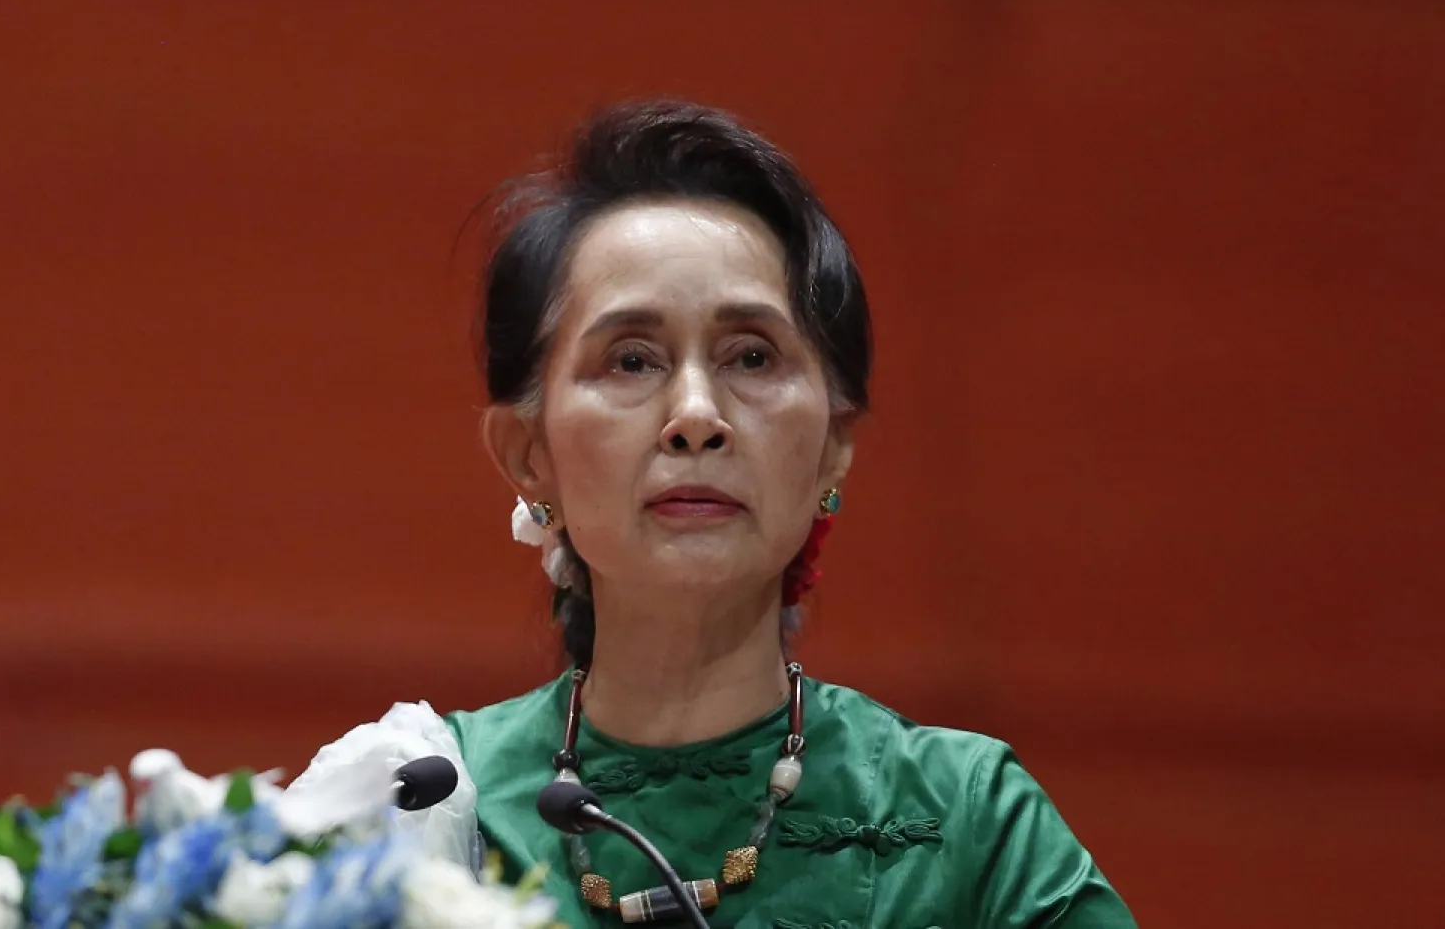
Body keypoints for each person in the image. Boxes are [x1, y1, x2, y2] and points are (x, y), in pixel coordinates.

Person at [310, 100, 1136, 928]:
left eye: (752, 356)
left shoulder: (966, 824)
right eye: (631, 359)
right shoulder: (413, 803)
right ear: (529, 453)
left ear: (832, 446)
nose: (696, 415)